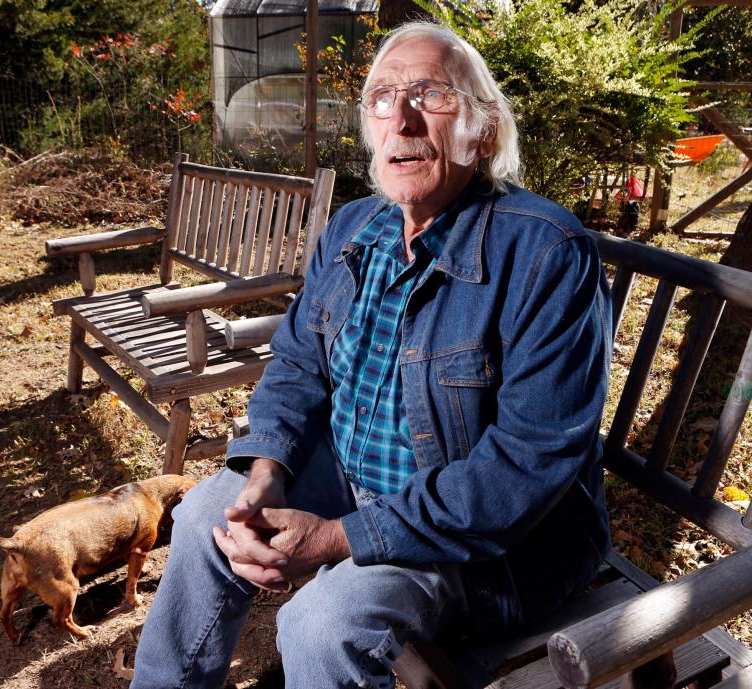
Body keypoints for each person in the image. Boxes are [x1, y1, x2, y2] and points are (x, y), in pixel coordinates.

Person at [131, 21, 612, 689]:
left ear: (485, 131)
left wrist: (337, 538)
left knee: (320, 622)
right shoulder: (357, 227)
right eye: (382, 96)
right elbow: (298, 364)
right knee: (206, 515)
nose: (403, 116)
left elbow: (523, 469)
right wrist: (268, 470)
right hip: (356, 480)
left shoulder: (547, 253)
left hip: (497, 545)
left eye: (431, 94)